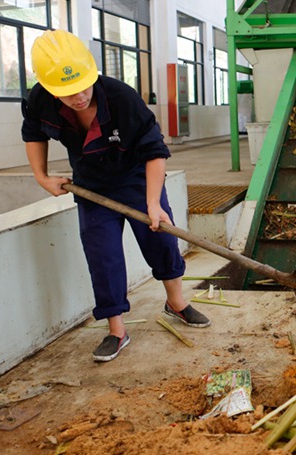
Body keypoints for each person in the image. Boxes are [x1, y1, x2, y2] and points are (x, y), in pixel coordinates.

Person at [22, 29, 210, 362]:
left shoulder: (122, 98)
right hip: (91, 186)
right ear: (49, 88)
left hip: (136, 180)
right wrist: (42, 177)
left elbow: (155, 151)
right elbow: (33, 133)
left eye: (83, 86)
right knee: (103, 255)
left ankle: (176, 303)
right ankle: (117, 330)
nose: (79, 97)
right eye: (68, 93)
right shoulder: (39, 99)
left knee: (162, 241)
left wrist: (153, 203)